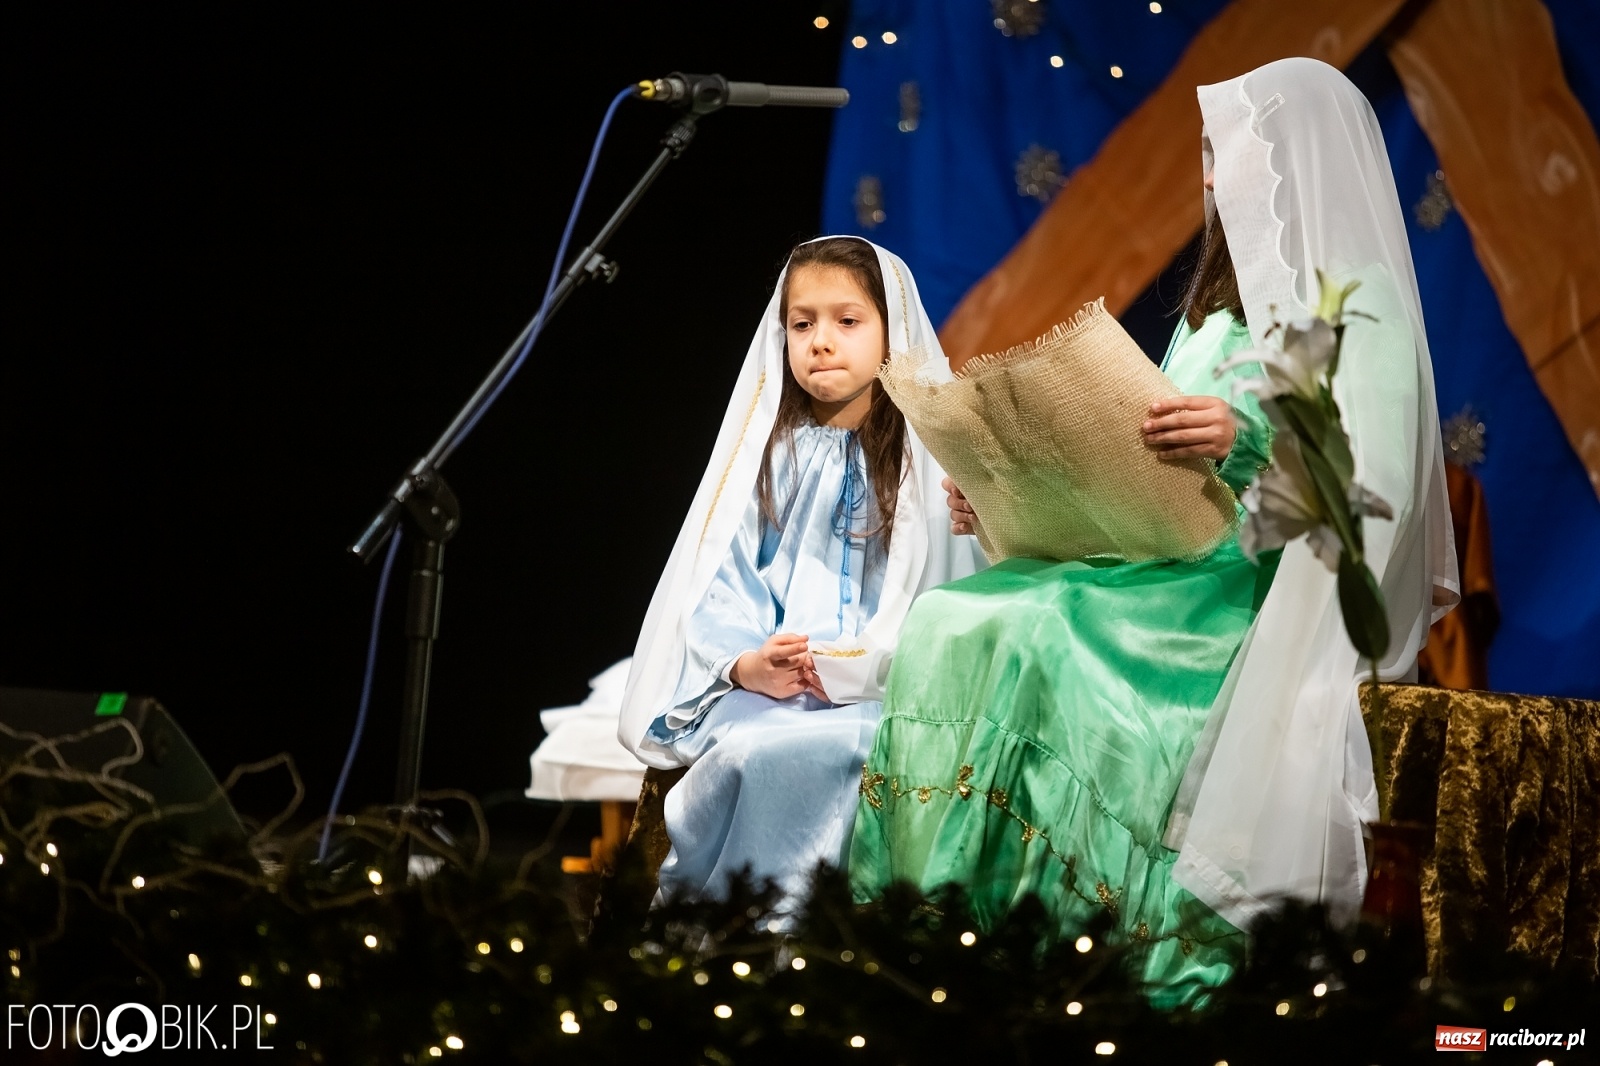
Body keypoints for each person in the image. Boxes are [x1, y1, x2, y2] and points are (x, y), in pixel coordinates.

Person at [850, 57, 1457, 1007]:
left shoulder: (1359, 301)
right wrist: (1013, 495)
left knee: (1048, 631)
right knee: (958, 617)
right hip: (1160, 560)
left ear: (1295, 162)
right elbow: (1142, 467)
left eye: (1230, 156)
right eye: (1207, 158)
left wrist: (1246, 439)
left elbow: (1374, 491)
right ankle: (940, 935)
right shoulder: (1218, 306)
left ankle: (1074, 954)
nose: (1210, 180)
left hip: (1254, 590)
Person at [617, 236, 987, 910]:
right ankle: (746, 936)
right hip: (776, 689)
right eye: (802, 323)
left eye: (847, 322)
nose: (821, 342)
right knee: (752, 753)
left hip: (890, 684)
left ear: (890, 328)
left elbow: (958, 584)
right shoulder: (768, 456)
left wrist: (866, 662)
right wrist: (745, 664)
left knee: (861, 745)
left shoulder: (930, 455)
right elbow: (721, 581)